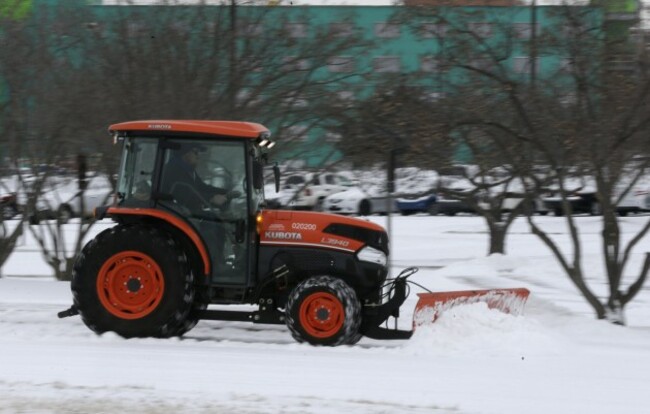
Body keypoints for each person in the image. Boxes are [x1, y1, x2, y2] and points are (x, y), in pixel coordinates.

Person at [161, 143, 229, 212]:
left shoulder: (187, 169)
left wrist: (223, 192)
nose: (198, 156)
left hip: (186, 211)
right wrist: (211, 198)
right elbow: (185, 195)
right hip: (173, 212)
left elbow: (201, 187)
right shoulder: (172, 170)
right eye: (196, 152)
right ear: (186, 153)